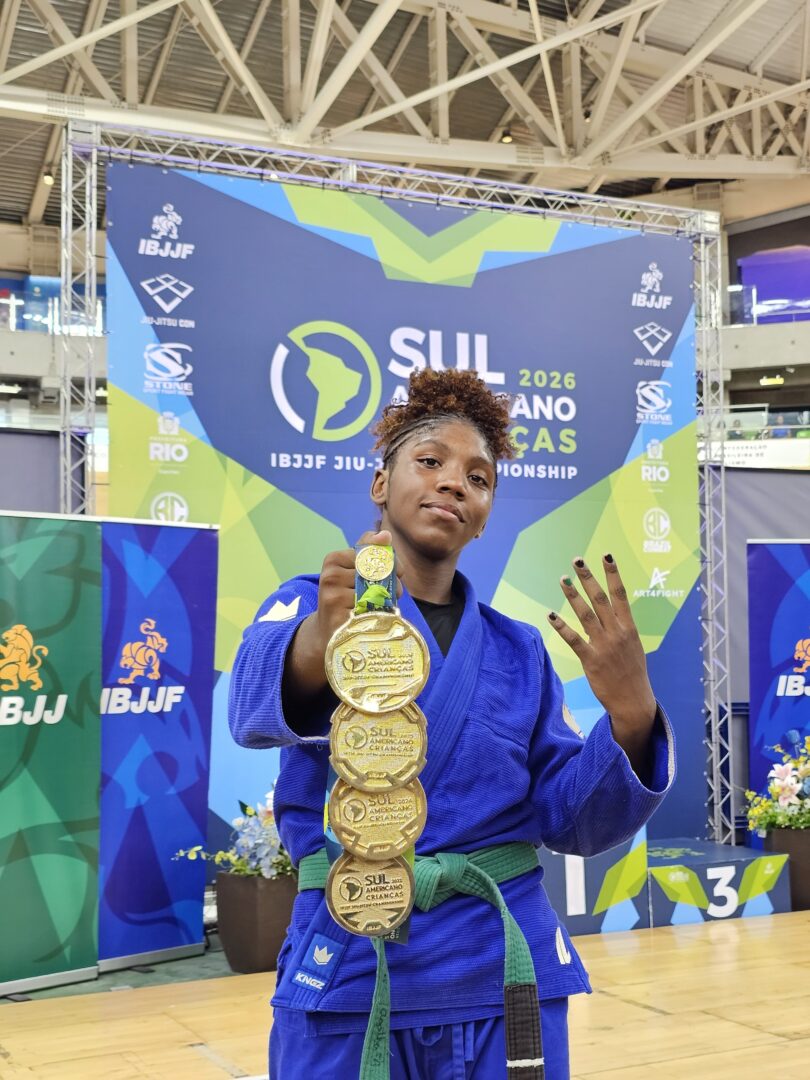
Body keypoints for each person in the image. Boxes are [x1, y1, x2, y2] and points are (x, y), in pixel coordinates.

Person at [229, 369, 675, 1080]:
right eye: (430, 461)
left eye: (478, 478)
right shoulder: (315, 603)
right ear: (381, 483)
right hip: (355, 960)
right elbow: (250, 713)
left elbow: (572, 821)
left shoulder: (518, 650)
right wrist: (318, 647)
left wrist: (631, 712)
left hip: (500, 967)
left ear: (487, 513)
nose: (454, 484)